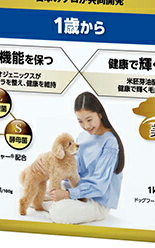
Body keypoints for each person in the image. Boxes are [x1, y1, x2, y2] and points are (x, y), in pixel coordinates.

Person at [46, 92, 124, 225]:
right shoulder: (82, 136)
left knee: (59, 212)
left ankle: (55, 207)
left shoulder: (110, 142)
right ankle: (54, 205)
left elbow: (99, 186)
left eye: (89, 119)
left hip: (97, 202)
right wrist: (52, 168)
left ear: (100, 114)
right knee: (29, 189)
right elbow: (74, 171)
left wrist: (67, 194)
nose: (86, 126)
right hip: (78, 190)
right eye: (80, 121)